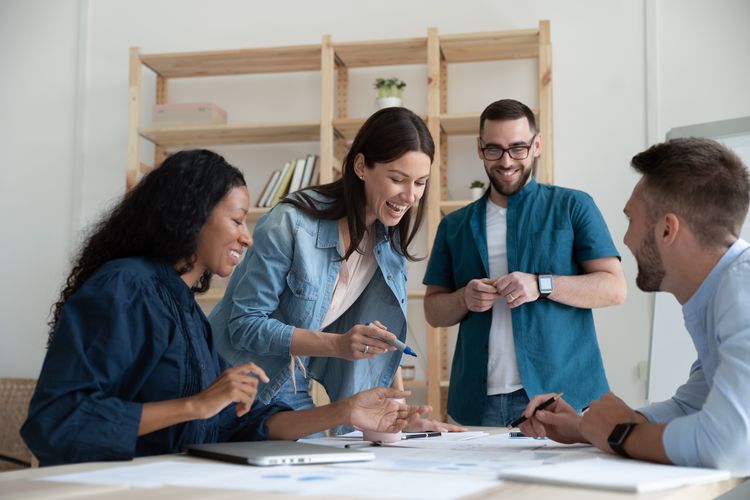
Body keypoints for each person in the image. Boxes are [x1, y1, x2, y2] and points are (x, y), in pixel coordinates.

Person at [21, 149, 424, 467]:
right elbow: (56, 421)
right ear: (192, 217)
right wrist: (196, 405)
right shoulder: (123, 287)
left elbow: (234, 423)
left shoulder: (184, 307)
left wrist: (346, 411)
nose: (247, 238)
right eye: (236, 221)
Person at [209, 107, 463, 433]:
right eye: (397, 179)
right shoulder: (290, 224)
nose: (410, 196)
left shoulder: (388, 241)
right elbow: (244, 326)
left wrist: (400, 415)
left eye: (420, 183)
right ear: (361, 166)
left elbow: (386, 340)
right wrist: (337, 344)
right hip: (229, 380)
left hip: (292, 383)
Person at [520, 138, 750, 475]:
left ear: (667, 230)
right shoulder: (720, 292)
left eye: (631, 220)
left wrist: (619, 433)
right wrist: (585, 426)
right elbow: (692, 406)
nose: (625, 239)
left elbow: (727, 444)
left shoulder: (742, 285)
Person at [422, 99, 627, 426]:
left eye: (518, 148)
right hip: (477, 402)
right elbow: (433, 312)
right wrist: (464, 298)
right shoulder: (454, 225)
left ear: (537, 145)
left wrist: (541, 284)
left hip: (564, 396)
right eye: (494, 150)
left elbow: (615, 288)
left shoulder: (574, 206)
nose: (506, 162)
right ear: (480, 148)